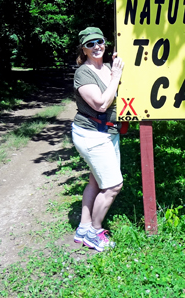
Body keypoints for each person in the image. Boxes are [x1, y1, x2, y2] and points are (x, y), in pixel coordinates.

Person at [71, 27, 125, 252]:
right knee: (113, 185)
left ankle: (83, 228)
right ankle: (95, 231)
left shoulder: (108, 68)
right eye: (90, 44)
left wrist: (116, 71)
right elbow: (101, 103)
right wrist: (117, 77)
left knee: (96, 179)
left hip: (108, 132)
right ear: (83, 49)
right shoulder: (83, 73)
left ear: (105, 42)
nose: (96, 47)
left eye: (99, 41)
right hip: (91, 134)